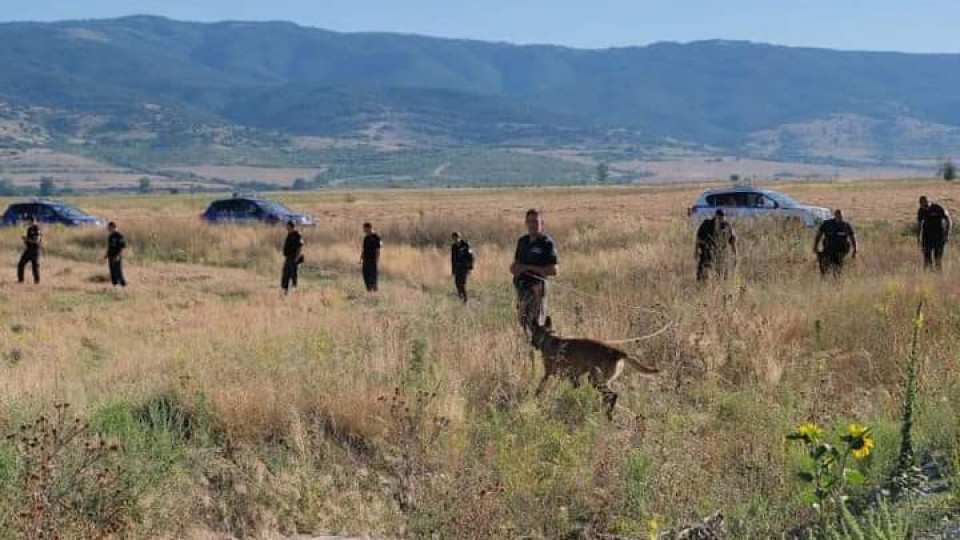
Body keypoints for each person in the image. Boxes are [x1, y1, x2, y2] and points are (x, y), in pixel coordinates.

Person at [510, 209, 558, 332]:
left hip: (537, 289)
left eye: (536, 221)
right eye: (530, 221)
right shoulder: (522, 242)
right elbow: (516, 265)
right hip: (522, 289)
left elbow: (554, 270)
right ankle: (525, 349)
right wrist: (514, 268)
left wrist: (529, 268)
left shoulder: (546, 243)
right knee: (523, 324)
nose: (533, 225)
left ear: (542, 223)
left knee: (536, 325)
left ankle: (537, 349)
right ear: (526, 223)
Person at [695, 209, 737, 282]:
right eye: (719, 218)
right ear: (715, 217)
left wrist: (735, 255)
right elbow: (698, 238)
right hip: (706, 251)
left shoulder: (727, 226)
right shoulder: (706, 224)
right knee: (702, 271)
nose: (721, 221)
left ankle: (721, 285)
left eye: (723, 219)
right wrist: (696, 251)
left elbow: (732, 241)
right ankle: (701, 284)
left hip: (720, 252)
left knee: (722, 273)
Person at [814, 209, 857, 277]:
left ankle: (836, 283)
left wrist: (855, 249)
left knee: (837, 271)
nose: (840, 218)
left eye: (841, 216)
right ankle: (824, 282)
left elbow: (852, 237)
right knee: (824, 269)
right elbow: (819, 235)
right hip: (828, 250)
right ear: (835, 216)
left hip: (840, 252)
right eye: (839, 216)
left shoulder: (846, 225)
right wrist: (815, 246)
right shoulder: (827, 224)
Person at [917, 196, 951, 271]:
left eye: (925, 205)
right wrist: (918, 237)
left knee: (938, 258)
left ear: (929, 202)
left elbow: (948, 220)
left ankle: (939, 276)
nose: (925, 207)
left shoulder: (938, 208)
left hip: (939, 236)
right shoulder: (921, 210)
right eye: (922, 205)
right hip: (927, 237)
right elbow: (919, 224)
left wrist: (947, 234)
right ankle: (928, 275)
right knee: (927, 257)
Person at [450, 232, 475, 303]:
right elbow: (452, 259)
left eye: (457, 238)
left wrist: (470, 267)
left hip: (465, 268)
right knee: (457, 284)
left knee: (462, 284)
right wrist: (453, 270)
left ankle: (465, 300)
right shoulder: (453, 247)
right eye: (454, 238)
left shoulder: (466, 245)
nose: (455, 240)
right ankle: (461, 298)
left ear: (459, 238)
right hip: (457, 268)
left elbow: (471, 257)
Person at [281, 220, 304, 294]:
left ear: (292, 227)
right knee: (285, 275)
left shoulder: (297, 235)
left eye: (287, 226)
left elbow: (299, 247)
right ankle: (285, 291)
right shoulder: (289, 234)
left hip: (294, 259)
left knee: (293, 275)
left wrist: (296, 259)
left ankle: (294, 291)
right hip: (288, 258)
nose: (286, 228)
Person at [17, 216, 41, 285]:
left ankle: (37, 282)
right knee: (21, 264)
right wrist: (25, 240)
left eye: (28, 221)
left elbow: (37, 240)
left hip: (35, 250)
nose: (27, 222)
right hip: (28, 249)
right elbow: (29, 241)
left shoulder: (37, 228)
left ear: (31, 221)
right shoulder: (29, 229)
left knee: (35, 266)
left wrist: (27, 239)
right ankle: (20, 280)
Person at [360, 222, 382, 292]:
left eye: (365, 229)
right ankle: (369, 290)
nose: (364, 231)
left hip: (373, 260)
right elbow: (364, 249)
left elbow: (378, 250)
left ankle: (375, 291)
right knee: (366, 275)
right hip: (365, 260)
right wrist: (361, 258)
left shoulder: (377, 237)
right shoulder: (366, 238)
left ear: (369, 228)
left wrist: (377, 260)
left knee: (373, 276)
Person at [105, 221, 127, 287]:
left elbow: (123, 246)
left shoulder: (119, 235)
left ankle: (123, 284)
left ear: (113, 227)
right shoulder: (110, 236)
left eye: (109, 227)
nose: (108, 229)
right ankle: (114, 285)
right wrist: (106, 254)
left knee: (118, 271)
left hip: (117, 256)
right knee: (112, 271)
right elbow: (110, 247)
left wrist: (118, 255)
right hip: (110, 256)